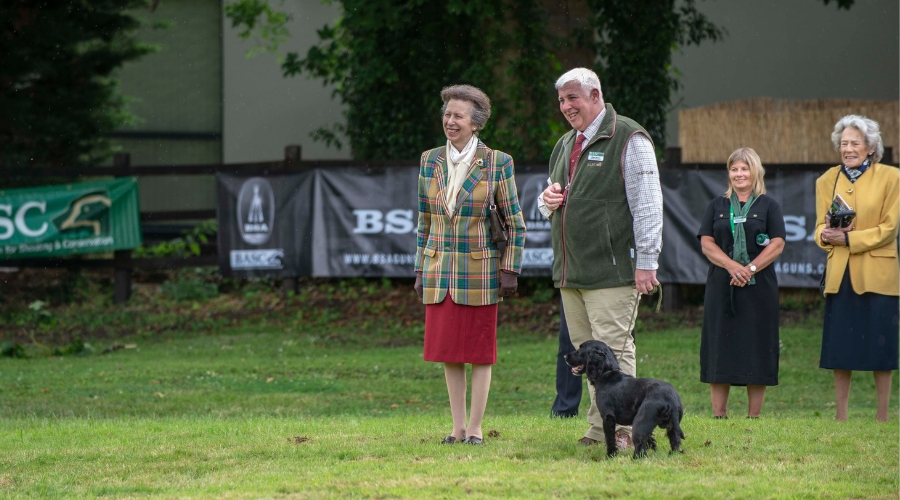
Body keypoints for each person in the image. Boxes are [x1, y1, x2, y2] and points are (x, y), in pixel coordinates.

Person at [538, 68, 663, 448]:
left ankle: (625, 432)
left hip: (613, 271)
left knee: (616, 354)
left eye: (572, 98)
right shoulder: (564, 143)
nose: (566, 107)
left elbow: (648, 205)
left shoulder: (629, 136)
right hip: (572, 273)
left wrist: (647, 261)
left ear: (594, 95)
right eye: (561, 100)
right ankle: (598, 431)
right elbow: (551, 201)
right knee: (590, 364)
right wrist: (547, 202)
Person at [414, 84, 526, 444]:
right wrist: (420, 268)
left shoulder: (498, 162)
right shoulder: (429, 159)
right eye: (447, 114)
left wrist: (510, 270)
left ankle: (476, 429)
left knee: (479, 353)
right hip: (438, 271)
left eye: (458, 115)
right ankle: (457, 428)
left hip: (480, 274)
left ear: (475, 123)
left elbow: (515, 224)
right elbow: (424, 222)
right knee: (449, 353)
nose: (450, 121)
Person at [814, 115, 898, 423]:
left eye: (855, 143)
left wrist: (848, 238)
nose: (848, 149)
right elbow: (818, 228)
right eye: (844, 143)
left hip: (880, 276)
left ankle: (883, 415)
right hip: (841, 275)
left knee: (882, 349)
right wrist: (824, 235)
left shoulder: (891, 177)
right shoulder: (826, 180)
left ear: (870, 146)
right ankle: (841, 416)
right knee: (841, 348)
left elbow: (889, 229)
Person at [697, 147, 786, 419]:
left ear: (755, 171)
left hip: (759, 288)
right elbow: (706, 242)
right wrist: (733, 266)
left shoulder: (769, 205)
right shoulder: (717, 206)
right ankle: (719, 415)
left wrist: (750, 268)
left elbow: (778, 243)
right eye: (734, 169)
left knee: (757, 347)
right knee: (719, 347)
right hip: (722, 286)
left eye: (744, 169)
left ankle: (754, 416)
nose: (739, 174)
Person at [551, 300, 582, 418]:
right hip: (571, 284)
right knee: (568, 341)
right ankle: (565, 410)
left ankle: (620, 406)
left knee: (614, 339)